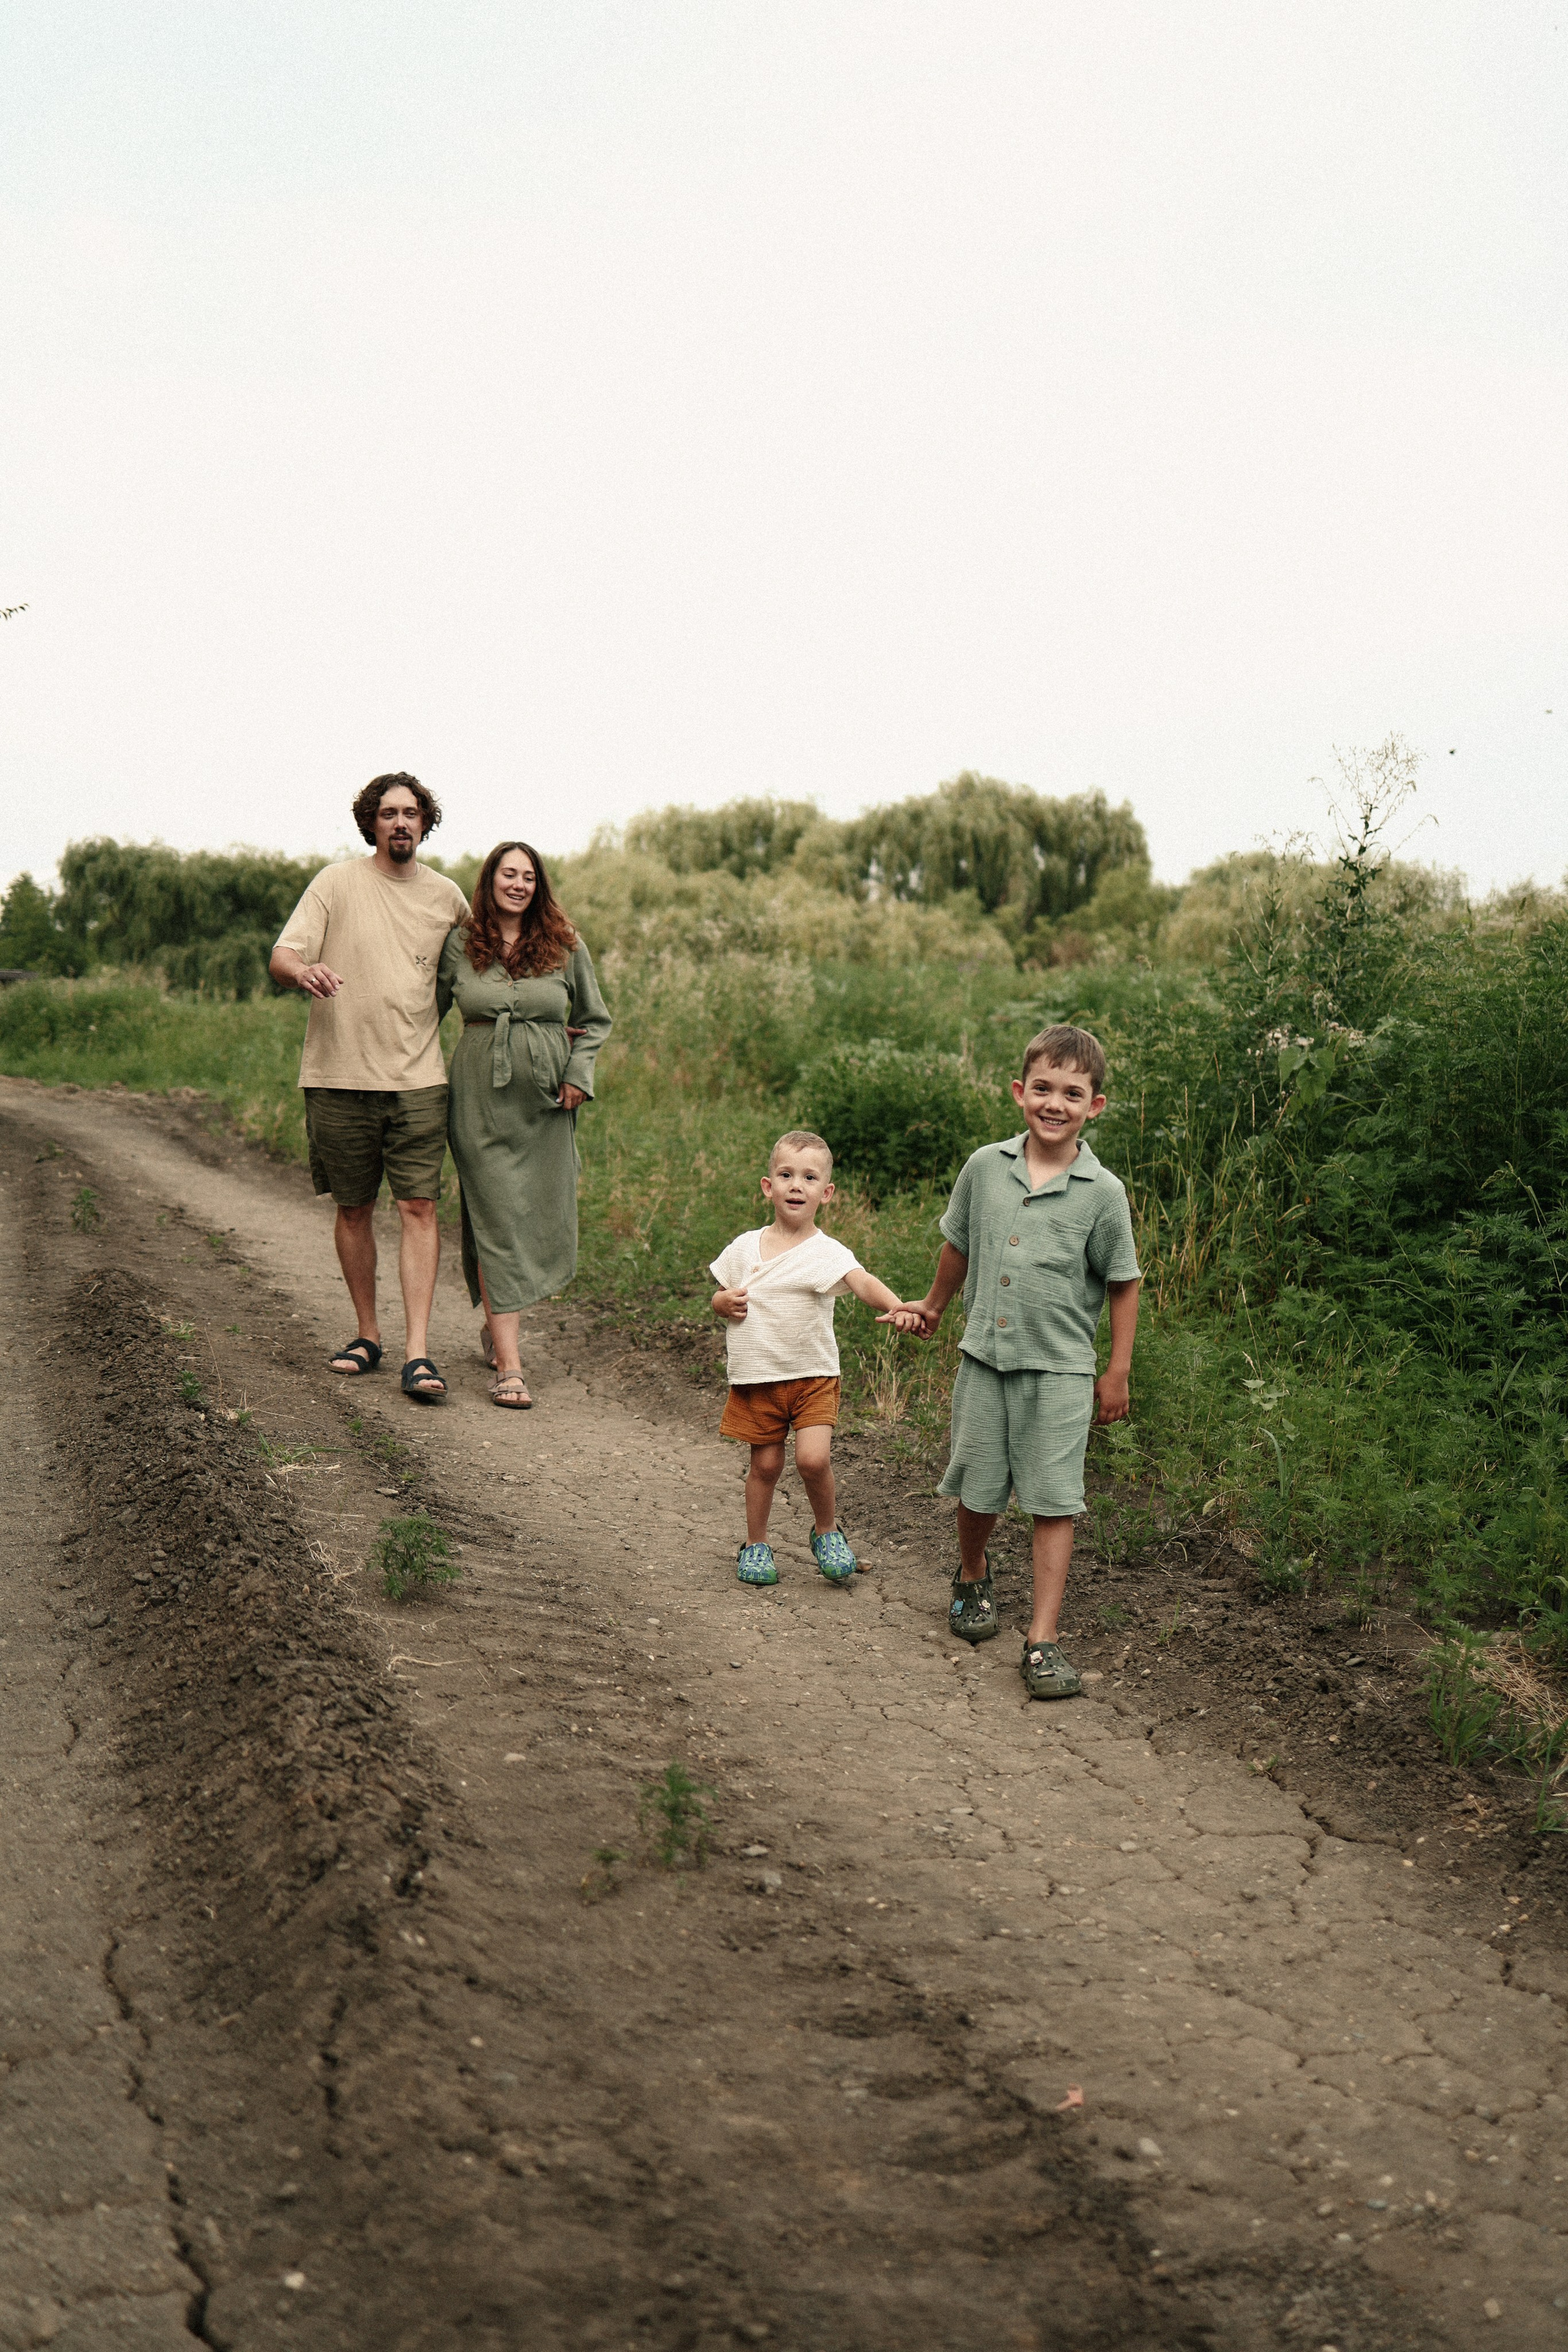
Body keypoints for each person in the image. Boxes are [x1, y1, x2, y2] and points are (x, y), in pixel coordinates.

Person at [908, 1024, 1141, 1699]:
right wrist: (933, 1305)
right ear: (1019, 1092)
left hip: (1061, 1372)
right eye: (1043, 1087)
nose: (1055, 1103)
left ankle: (1042, 1640)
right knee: (977, 1486)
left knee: (1053, 1501)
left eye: (1073, 1092)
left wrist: (1116, 1371)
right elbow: (958, 1245)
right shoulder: (985, 1167)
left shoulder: (1103, 1192)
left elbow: (1123, 1283)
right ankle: (973, 1573)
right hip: (985, 1359)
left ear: (1093, 1106)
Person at [270, 772, 469, 1401]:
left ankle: (418, 1353)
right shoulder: (336, 882)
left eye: (412, 813)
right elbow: (282, 955)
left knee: (419, 1207)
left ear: (425, 822)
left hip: (418, 1080)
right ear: (371, 823)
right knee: (353, 1208)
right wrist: (304, 971)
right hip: (338, 1075)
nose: (401, 823)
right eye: (389, 814)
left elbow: (494, 965)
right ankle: (367, 1335)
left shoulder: (448, 897)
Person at [437, 842, 611, 1409]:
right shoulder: (462, 944)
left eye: (529, 877)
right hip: (478, 1101)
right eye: (508, 874)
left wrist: (579, 1073)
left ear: (539, 886)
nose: (518, 884)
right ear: (489, 881)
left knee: (534, 1216)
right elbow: (423, 1011)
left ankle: (497, 1321)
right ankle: (510, 1364)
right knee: (495, 1218)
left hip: (545, 1104)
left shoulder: (564, 944)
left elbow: (593, 1019)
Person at [710, 1131, 922, 1587]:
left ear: (825, 1194)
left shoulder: (827, 1252)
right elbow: (720, 1294)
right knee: (765, 1466)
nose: (796, 1186)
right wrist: (721, 1304)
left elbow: (862, 1281)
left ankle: (826, 1531)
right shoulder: (745, 1247)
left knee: (812, 1459)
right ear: (769, 1186)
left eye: (809, 1178)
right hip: (758, 1377)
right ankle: (756, 1544)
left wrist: (898, 1305)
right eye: (786, 1175)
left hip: (813, 1378)